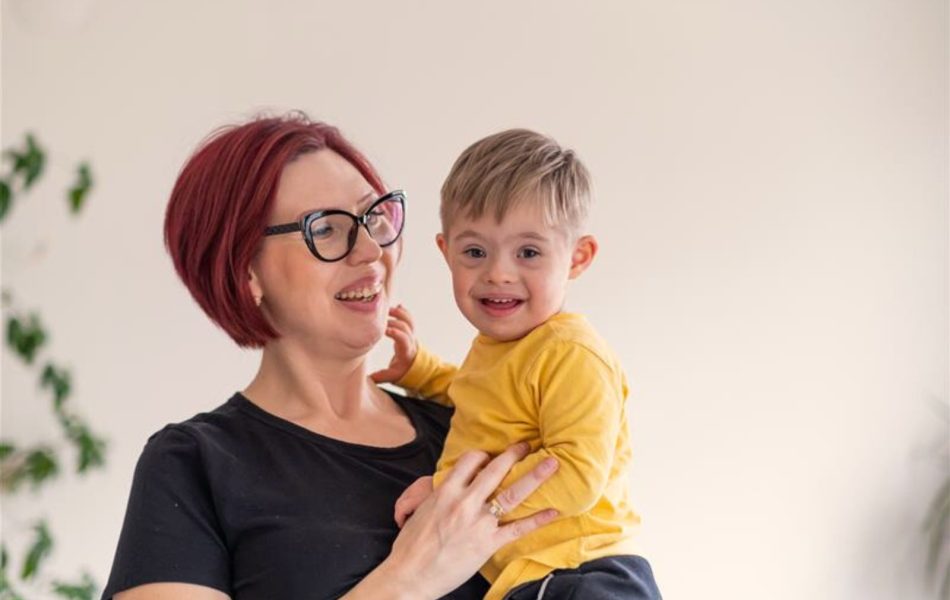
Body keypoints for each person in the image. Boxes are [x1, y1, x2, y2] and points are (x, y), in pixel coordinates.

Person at [101, 114, 563, 600]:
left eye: (374, 216)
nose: (369, 250)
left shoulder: (469, 426)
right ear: (245, 273)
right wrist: (407, 581)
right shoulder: (194, 465)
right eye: (325, 229)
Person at [372, 129, 662, 599]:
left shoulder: (571, 353)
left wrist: (447, 495)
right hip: (525, 578)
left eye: (528, 252)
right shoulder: (498, 348)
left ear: (577, 258)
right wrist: (419, 371)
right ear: (446, 253)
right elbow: (480, 398)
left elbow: (577, 472)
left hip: (583, 572)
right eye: (475, 252)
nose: (498, 273)